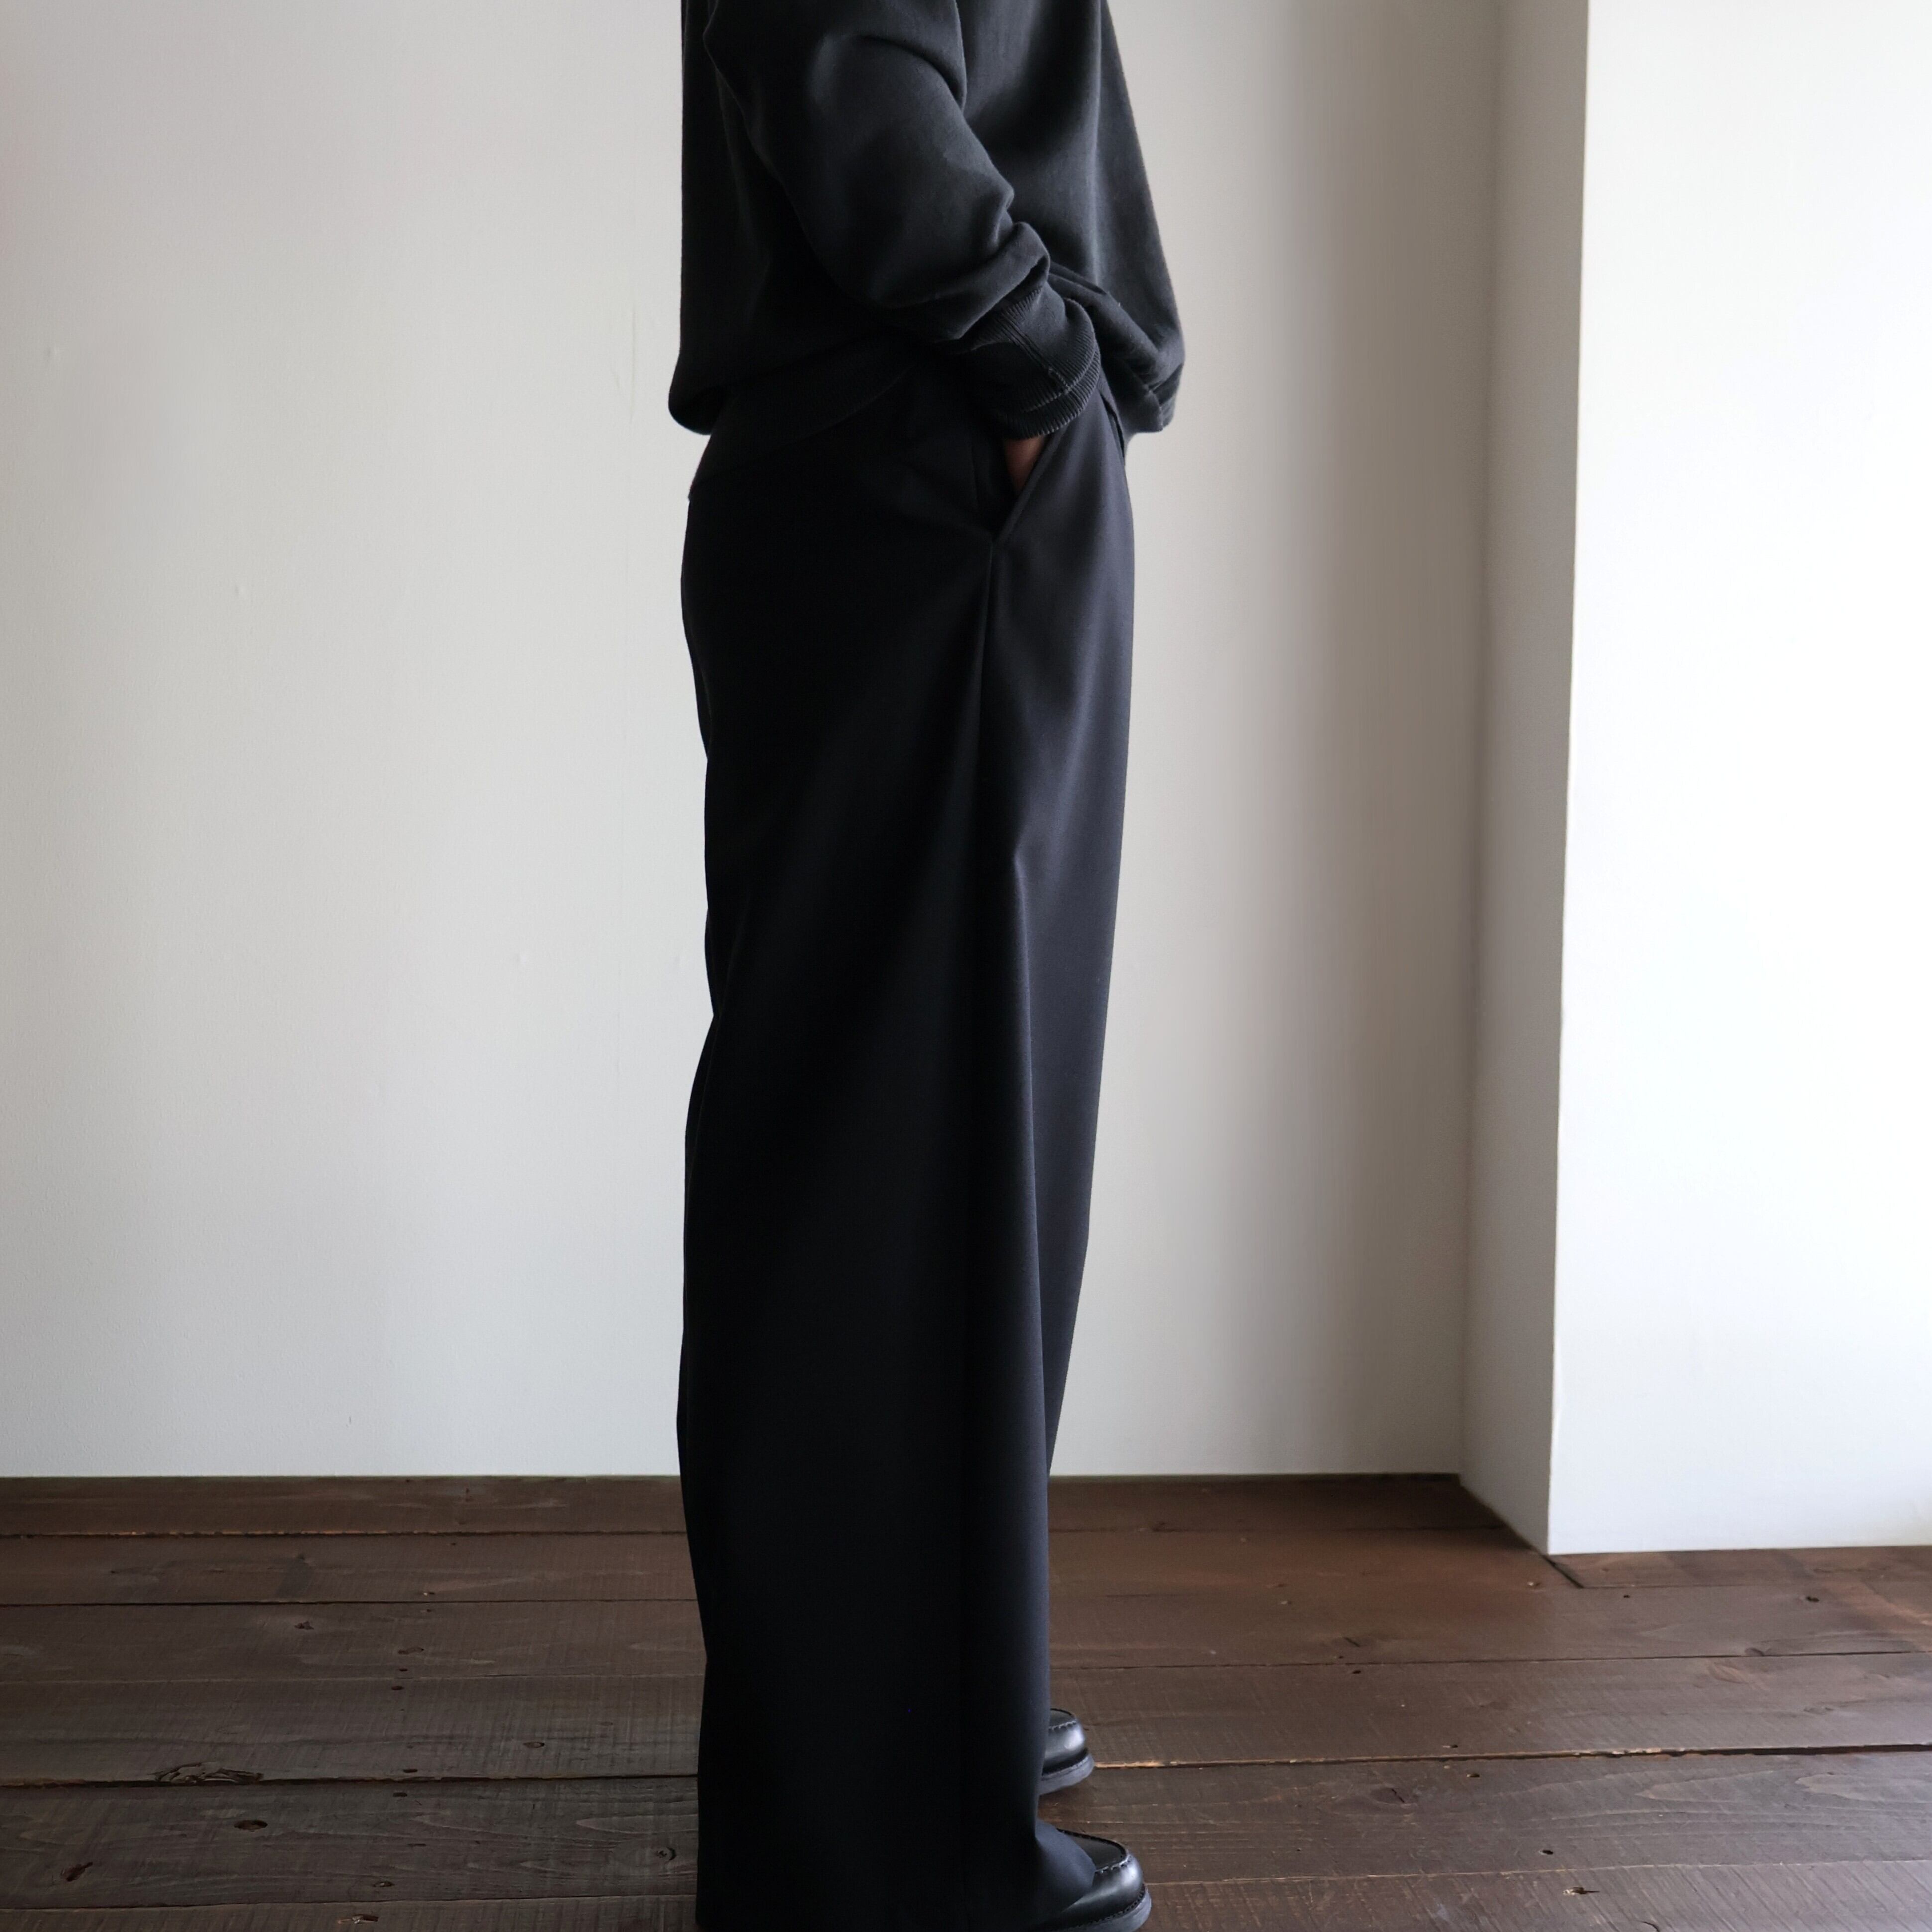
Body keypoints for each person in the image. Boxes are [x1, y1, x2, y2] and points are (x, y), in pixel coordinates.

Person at [670, 2, 1182, 1927]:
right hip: (931, 453)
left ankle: (912, 1711)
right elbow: (848, 65)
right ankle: (882, 1837)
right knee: (906, 1150)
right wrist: (1035, 362)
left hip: (912, 458)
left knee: (912, 1134)